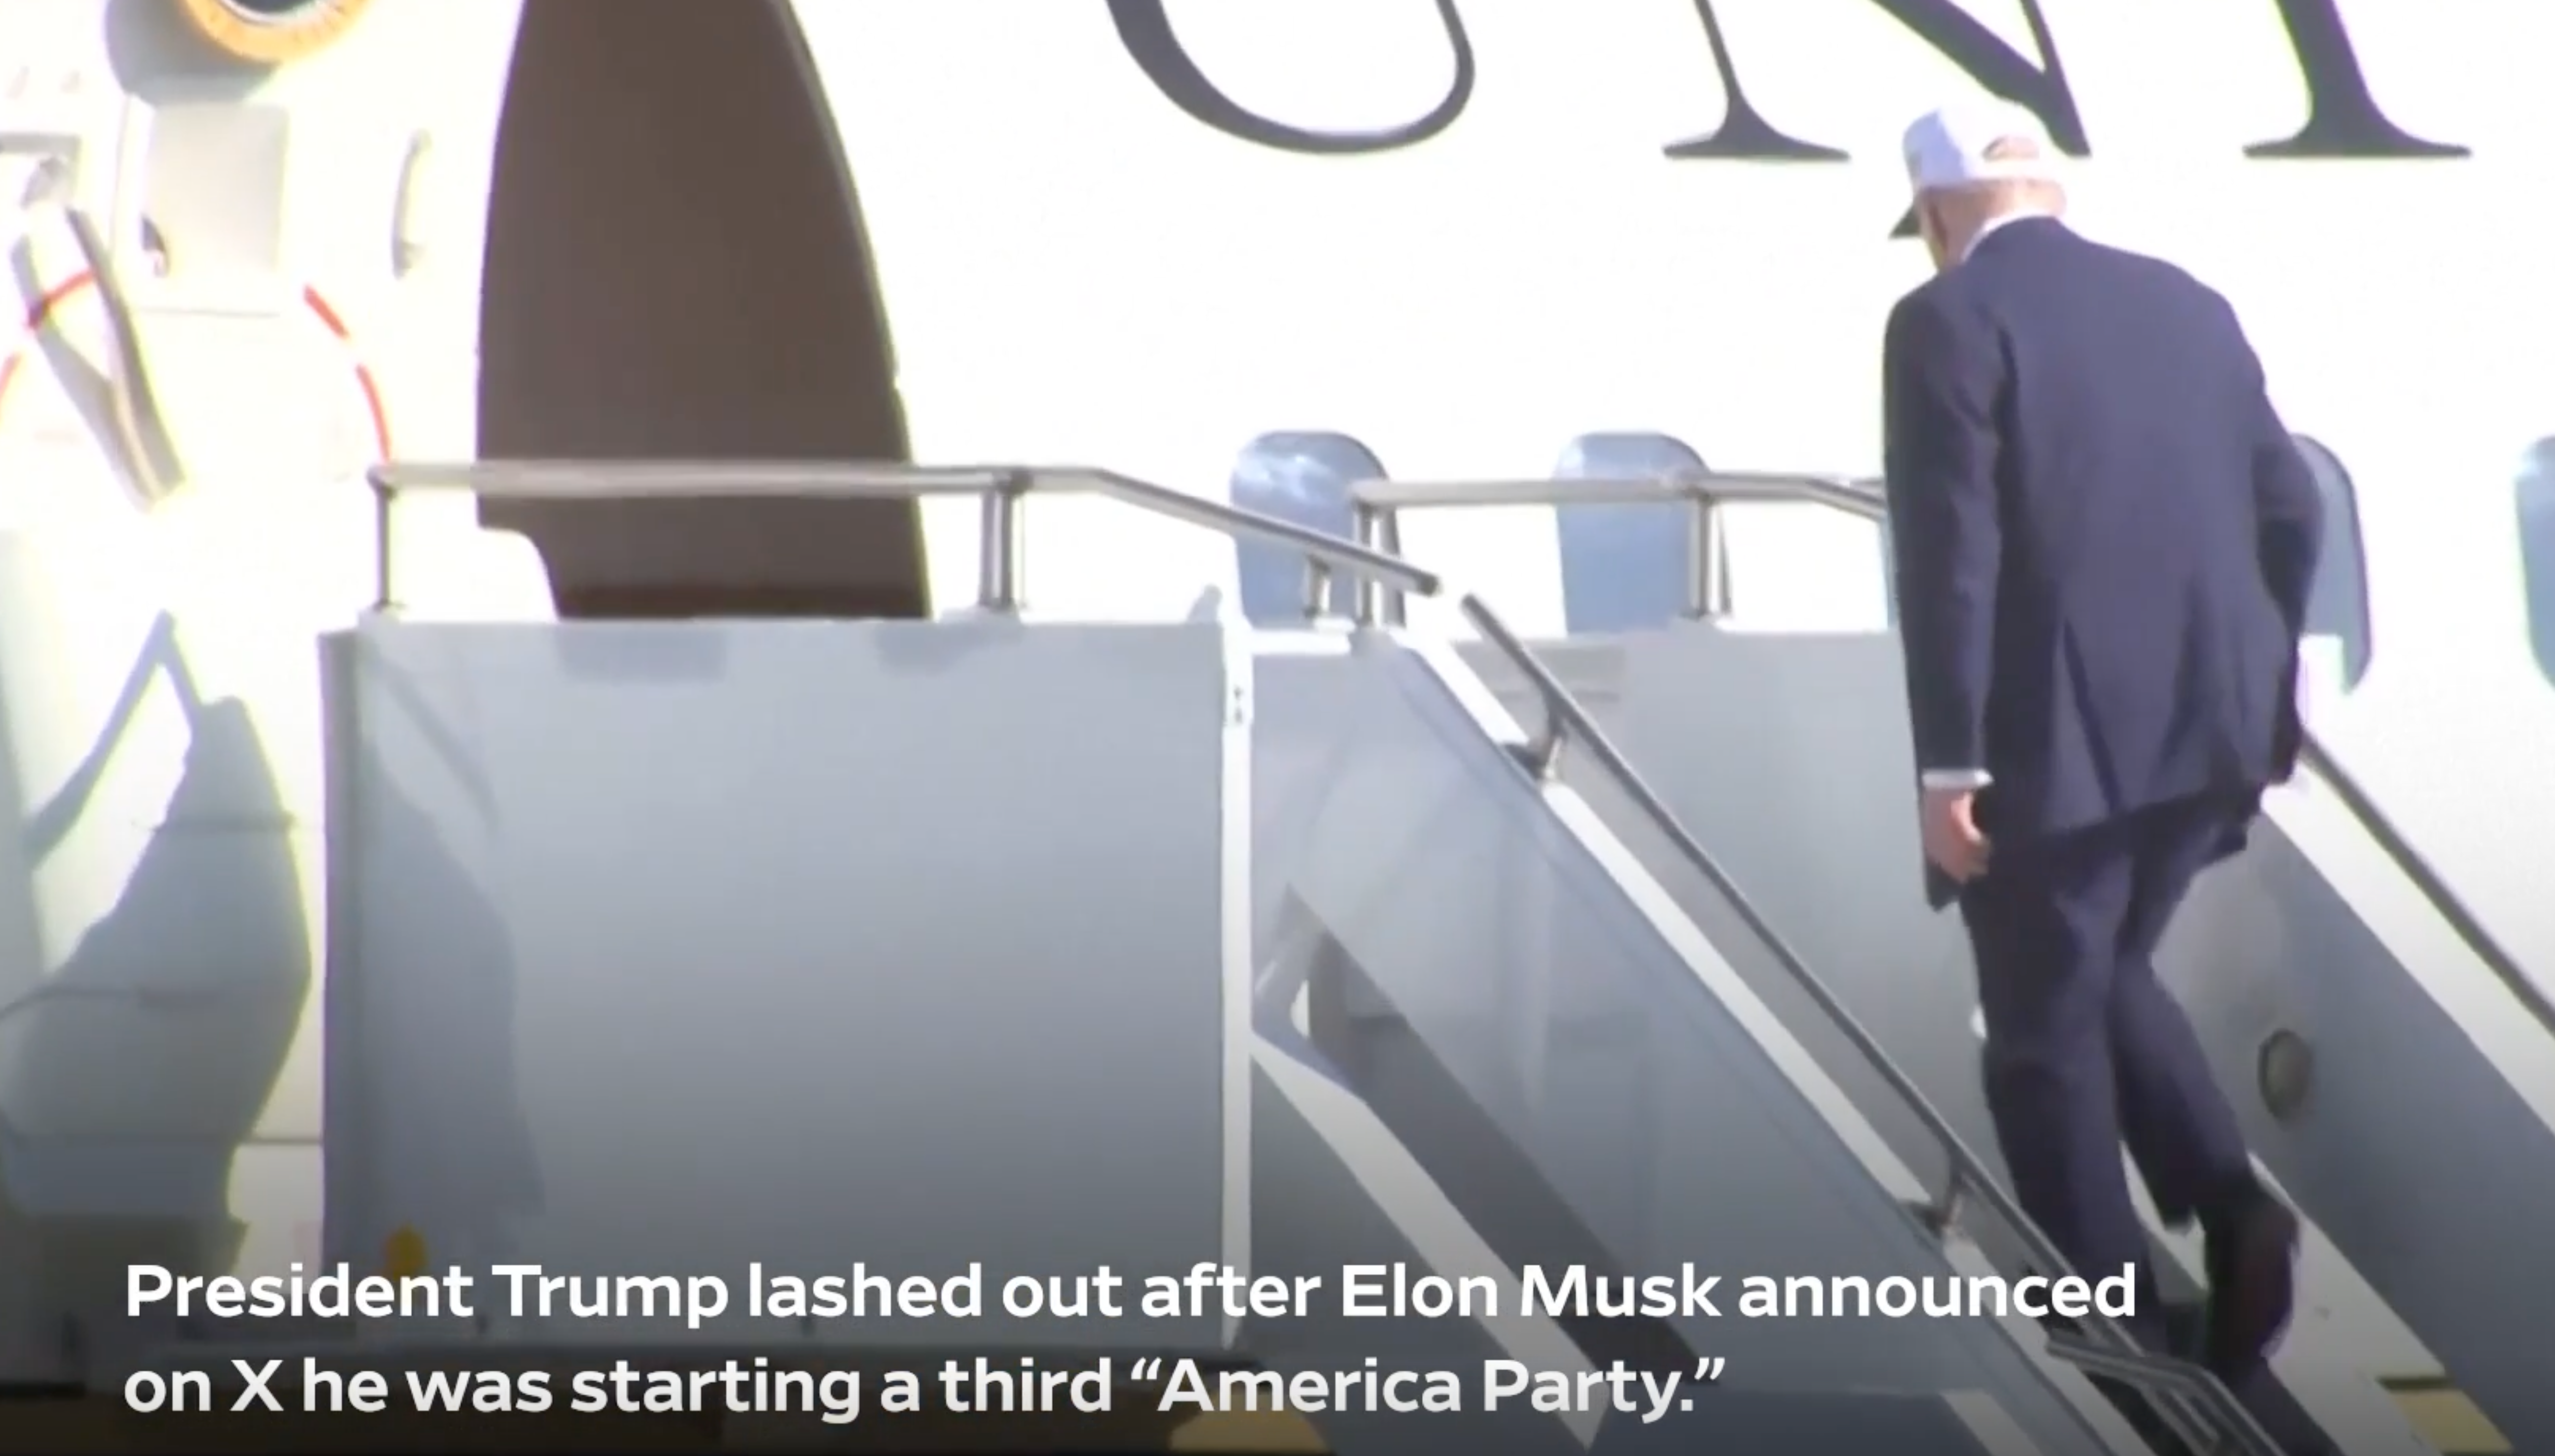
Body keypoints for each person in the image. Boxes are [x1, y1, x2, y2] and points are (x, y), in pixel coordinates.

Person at [1877, 98, 2325, 1402]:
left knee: (2036, 1037)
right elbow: (2291, 506)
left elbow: (1951, 550)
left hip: (2056, 745)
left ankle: (2118, 1346)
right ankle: (2229, 1206)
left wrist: (1949, 767)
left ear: (1940, 211)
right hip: (2210, 729)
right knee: (2094, 964)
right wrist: (2256, 673)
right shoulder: (2187, 304)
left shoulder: (1947, 318)